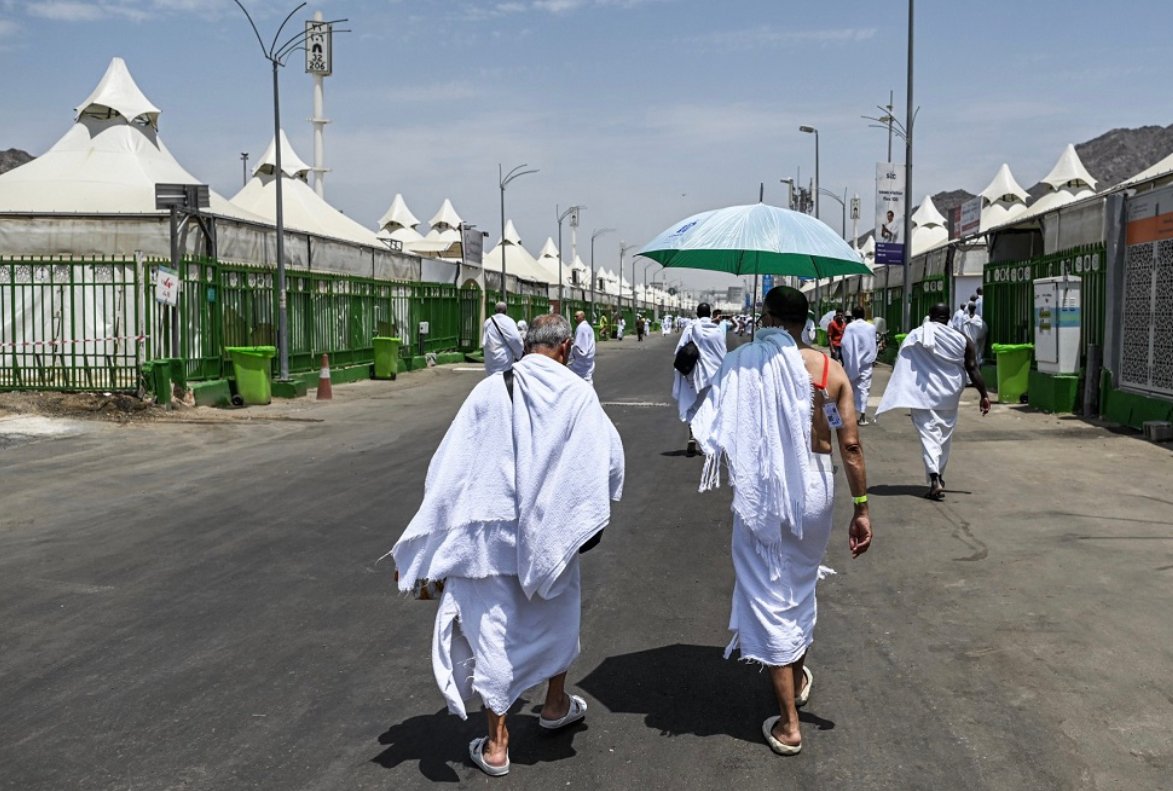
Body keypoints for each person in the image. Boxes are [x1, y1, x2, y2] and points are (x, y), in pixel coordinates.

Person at [387, 314, 625, 778]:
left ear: (527, 345)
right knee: (557, 618)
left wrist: (425, 538)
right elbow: (610, 462)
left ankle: (497, 745)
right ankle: (555, 704)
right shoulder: (579, 394)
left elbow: (449, 467)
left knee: (491, 633)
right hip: (552, 535)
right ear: (565, 349)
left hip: (488, 542)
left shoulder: (490, 389)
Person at [691, 285, 872, 757]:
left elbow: (717, 423)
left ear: (768, 318)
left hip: (767, 494)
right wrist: (862, 507)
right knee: (799, 585)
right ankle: (795, 674)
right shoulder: (828, 371)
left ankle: (789, 723)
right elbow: (850, 446)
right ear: (806, 320)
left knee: (767, 594)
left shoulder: (749, 363)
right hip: (816, 493)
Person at [876, 303, 991, 501]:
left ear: (929, 315)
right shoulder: (962, 339)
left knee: (928, 434)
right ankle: (938, 476)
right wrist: (984, 395)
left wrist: (903, 388)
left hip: (922, 393)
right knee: (944, 436)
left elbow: (903, 362)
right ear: (948, 317)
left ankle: (934, 477)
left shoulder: (917, 335)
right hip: (950, 393)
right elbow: (972, 368)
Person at [673, 302, 727, 456]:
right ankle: (704, 440)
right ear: (710, 315)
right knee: (708, 408)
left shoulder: (690, 329)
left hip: (693, 376)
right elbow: (722, 352)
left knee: (692, 407)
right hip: (713, 376)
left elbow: (680, 351)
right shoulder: (717, 331)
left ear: (697, 314)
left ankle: (692, 436)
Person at [840, 306, 878, 426]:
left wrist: (848, 359)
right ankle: (862, 416)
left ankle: (848, 415)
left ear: (853, 315)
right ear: (864, 314)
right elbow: (872, 344)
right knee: (864, 388)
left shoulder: (850, 327)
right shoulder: (871, 327)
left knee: (850, 388)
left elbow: (845, 344)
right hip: (866, 363)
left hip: (852, 362)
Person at [482, 302, 524, 377]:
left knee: (491, 379)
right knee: (503, 381)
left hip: (490, 358)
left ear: (495, 310)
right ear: (506, 311)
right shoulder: (509, 321)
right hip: (504, 358)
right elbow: (515, 339)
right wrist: (519, 353)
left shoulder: (487, 322)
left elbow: (485, 340)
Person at [568, 310, 596, 383]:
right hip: (587, 364)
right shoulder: (587, 327)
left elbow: (581, 349)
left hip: (581, 365)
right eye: (574, 316)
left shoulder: (582, 328)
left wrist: (571, 351)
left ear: (583, 317)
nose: (575, 318)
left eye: (577, 316)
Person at [959, 302, 987, 367]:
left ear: (968, 309)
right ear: (975, 309)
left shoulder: (964, 319)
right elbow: (984, 329)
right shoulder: (978, 320)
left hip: (966, 343)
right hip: (976, 344)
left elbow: (960, 330)